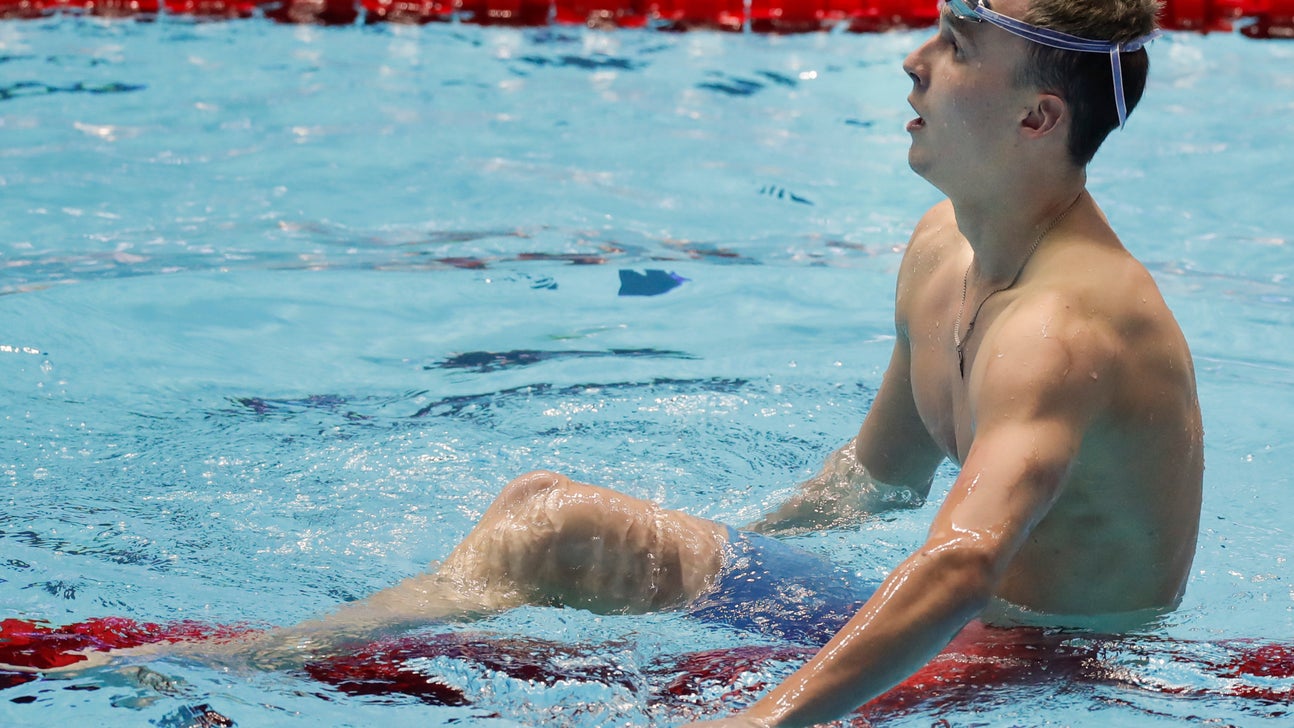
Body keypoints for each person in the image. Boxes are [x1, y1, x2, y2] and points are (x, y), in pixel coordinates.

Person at [10, 0, 1202, 725]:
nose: (910, 61)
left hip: (1045, 679)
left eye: (954, 44)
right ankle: (282, 656)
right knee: (548, 518)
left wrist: (754, 718)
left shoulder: (1061, 329)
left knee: (549, 543)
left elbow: (954, 564)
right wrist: (714, 557)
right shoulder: (946, 248)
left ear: (1038, 116)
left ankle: (250, 667)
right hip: (966, 635)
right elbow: (873, 483)